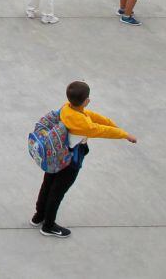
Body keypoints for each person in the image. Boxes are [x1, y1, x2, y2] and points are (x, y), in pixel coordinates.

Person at [31, 81, 137, 238]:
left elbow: (95, 117)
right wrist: (124, 134)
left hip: (55, 155)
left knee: (47, 184)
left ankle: (38, 216)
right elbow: (101, 130)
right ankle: (48, 226)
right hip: (69, 161)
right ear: (86, 101)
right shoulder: (83, 124)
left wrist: (115, 126)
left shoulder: (66, 108)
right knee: (57, 192)